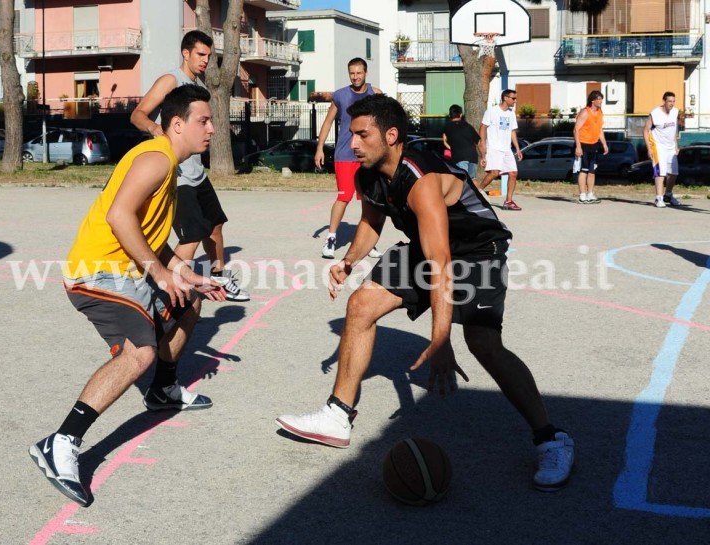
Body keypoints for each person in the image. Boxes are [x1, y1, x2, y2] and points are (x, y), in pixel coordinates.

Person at [277, 94, 575, 492]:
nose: (353, 144)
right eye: (351, 135)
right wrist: (348, 262)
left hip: (477, 249)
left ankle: (551, 438)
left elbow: (441, 261)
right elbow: (370, 225)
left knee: (483, 343)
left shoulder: (420, 177)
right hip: (430, 248)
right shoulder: (369, 172)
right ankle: (338, 414)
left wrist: (440, 338)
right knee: (361, 304)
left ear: (392, 135)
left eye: (362, 135)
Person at [30, 86, 226, 507]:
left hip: (127, 273)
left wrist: (186, 273)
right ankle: (61, 442)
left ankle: (164, 391)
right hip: (97, 272)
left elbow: (150, 238)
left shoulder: (169, 167)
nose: (211, 128)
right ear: (178, 124)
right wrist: (158, 271)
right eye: (203, 120)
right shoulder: (155, 159)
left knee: (191, 298)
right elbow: (119, 217)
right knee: (139, 352)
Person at [131, 30, 249, 301]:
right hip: (178, 176)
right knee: (191, 237)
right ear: (186, 53)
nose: (206, 60)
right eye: (201, 54)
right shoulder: (171, 80)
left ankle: (218, 277)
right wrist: (154, 128)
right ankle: (161, 289)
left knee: (216, 225)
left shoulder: (200, 89)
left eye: (209, 55)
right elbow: (137, 114)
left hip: (197, 173)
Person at [315, 57, 383, 259]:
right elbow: (328, 123)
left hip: (368, 156)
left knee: (368, 200)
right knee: (344, 196)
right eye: (352, 73)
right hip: (345, 154)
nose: (355, 77)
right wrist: (319, 149)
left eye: (359, 73)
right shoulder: (341, 96)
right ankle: (331, 239)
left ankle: (368, 243)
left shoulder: (375, 94)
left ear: (366, 73)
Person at [477, 89, 524, 211]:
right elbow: (483, 127)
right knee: (494, 173)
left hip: (507, 149)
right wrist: (483, 143)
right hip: (494, 148)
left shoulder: (511, 113)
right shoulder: (492, 111)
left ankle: (508, 201)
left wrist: (518, 149)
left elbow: (512, 131)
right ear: (506, 98)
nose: (515, 100)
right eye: (513, 98)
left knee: (513, 173)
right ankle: (478, 192)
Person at [643, 92, 682, 208]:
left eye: (673, 101)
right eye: (669, 101)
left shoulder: (675, 112)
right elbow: (645, 130)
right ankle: (658, 198)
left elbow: (673, 130)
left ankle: (668, 195)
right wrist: (648, 148)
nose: (672, 104)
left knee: (674, 173)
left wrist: (675, 145)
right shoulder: (655, 113)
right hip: (658, 146)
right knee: (660, 172)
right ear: (664, 101)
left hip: (670, 146)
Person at [573, 90, 608, 204]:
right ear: (593, 100)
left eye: (601, 98)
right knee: (583, 170)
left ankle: (590, 194)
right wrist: (578, 147)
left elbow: (599, 130)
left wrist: (604, 143)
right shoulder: (585, 112)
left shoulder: (599, 112)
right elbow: (576, 129)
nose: (601, 101)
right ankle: (582, 195)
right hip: (583, 144)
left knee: (592, 171)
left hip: (593, 144)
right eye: (599, 99)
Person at [442, 104, 481, 178]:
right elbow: (478, 142)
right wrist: (483, 156)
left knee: (463, 179)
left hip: (459, 157)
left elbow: (444, 141)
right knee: (472, 179)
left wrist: (451, 148)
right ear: (460, 115)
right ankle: (474, 189)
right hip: (473, 156)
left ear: (450, 115)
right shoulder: (468, 126)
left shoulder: (447, 127)